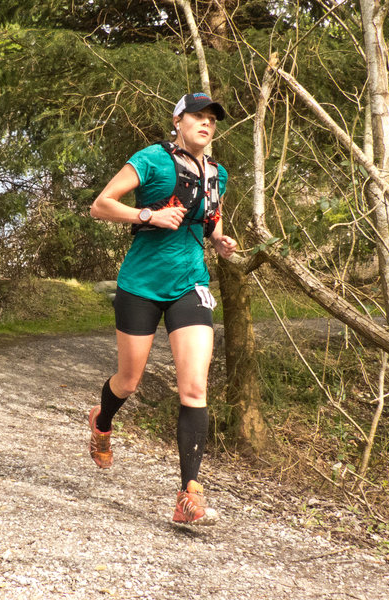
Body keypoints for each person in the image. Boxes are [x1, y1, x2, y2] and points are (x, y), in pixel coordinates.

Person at [88, 92, 237, 526]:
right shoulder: (151, 158)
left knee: (194, 387)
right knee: (129, 380)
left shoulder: (217, 173)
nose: (206, 124)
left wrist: (219, 241)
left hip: (190, 284)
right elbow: (101, 206)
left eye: (212, 119)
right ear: (178, 120)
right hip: (141, 284)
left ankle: (188, 494)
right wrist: (147, 216)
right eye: (198, 116)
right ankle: (102, 420)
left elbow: (212, 219)